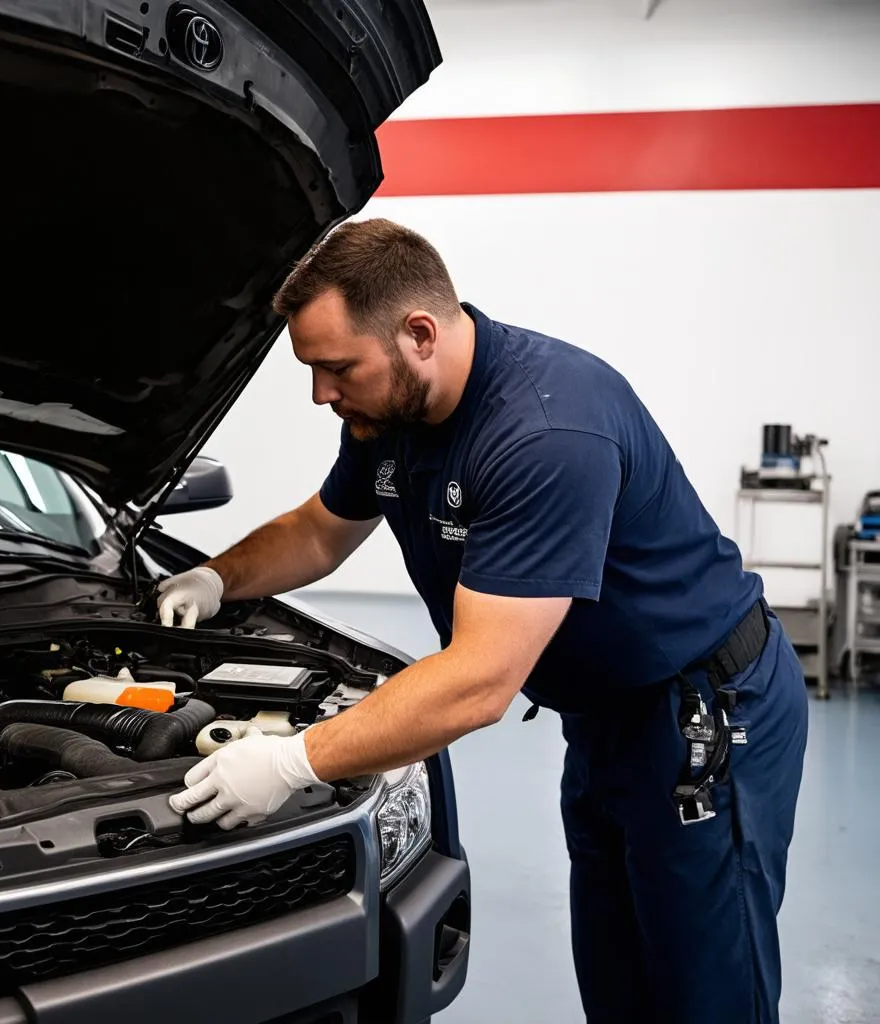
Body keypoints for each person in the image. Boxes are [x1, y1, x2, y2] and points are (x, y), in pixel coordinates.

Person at [158, 218, 809, 1024]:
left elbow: (478, 682)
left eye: (335, 368)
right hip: (606, 717)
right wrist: (217, 577)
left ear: (419, 333)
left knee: (705, 995)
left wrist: (294, 762)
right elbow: (322, 530)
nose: (322, 393)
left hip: (703, 717)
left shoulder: (544, 432)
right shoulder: (388, 412)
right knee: (619, 980)